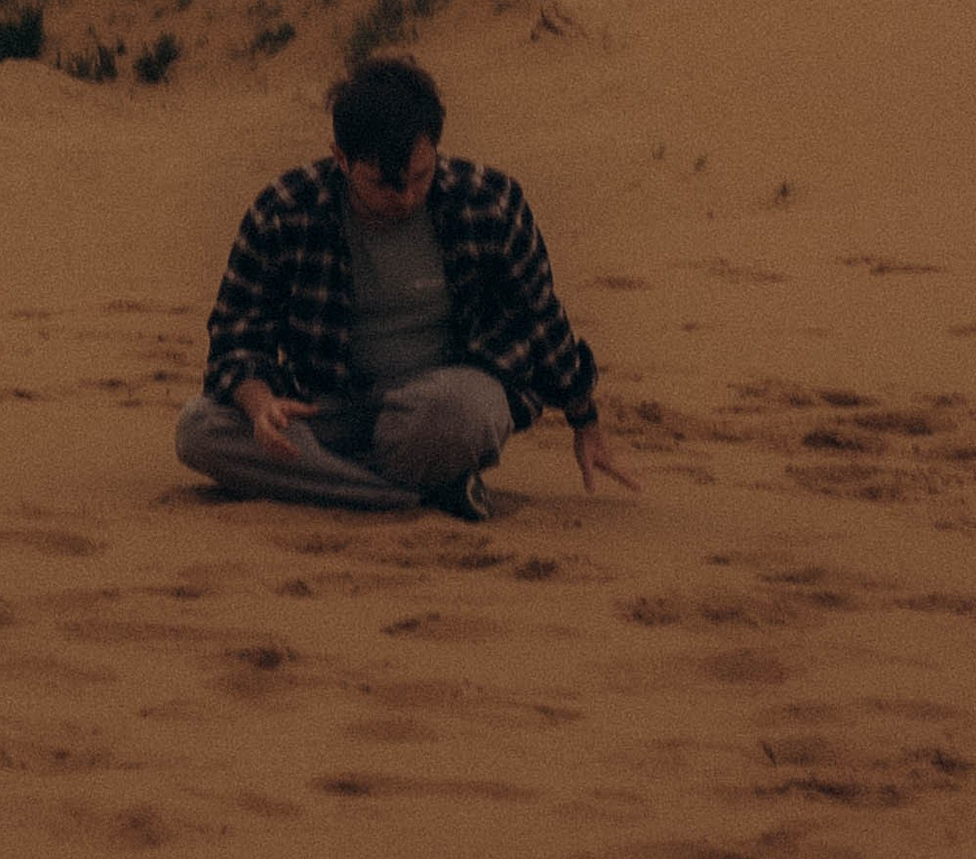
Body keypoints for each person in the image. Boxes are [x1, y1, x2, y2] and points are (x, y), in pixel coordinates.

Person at [175, 54, 639, 521]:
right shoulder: (285, 208)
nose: (406, 197)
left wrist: (585, 421)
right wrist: (260, 406)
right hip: (329, 403)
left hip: (441, 402)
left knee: (465, 413)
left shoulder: (489, 202)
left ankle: (340, 482)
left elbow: (540, 316)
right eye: (383, 184)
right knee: (200, 429)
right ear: (340, 156)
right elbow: (236, 334)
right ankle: (415, 493)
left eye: (421, 176)